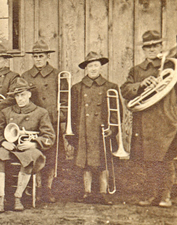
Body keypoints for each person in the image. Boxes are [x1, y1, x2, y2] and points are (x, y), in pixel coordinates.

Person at [120, 30, 177, 207]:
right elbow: (125, 90)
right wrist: (140, 85)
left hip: (167, 123)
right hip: (144, 123)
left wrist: (174, 113)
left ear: (161, 46)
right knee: (147, 162)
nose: (152, 49)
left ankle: (165, 196)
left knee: (166, 160)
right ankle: (151, 195)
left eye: (155, 45)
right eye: (148, 47)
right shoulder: (137, 70)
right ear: (143, 50)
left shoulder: (172, 67)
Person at [0, 77, 55, 213]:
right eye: (17, 96)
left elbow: (49, 136)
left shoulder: (41, 112)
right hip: (10, 147)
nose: (20, 99)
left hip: (29, 148)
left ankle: (18, 197)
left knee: (30, 158)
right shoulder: (6, 112)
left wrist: (34, 144)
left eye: (23, 95)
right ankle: (0, 198)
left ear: (29, 95)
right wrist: (3, 142)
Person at [67, 52, 118, 205]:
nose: (93, 68)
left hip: (102, 131)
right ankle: (87, 192)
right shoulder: (77, 88)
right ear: (86, 68)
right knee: (85, 162)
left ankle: (104, 192)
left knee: (104, 162)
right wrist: (73, 134)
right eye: (90, 66)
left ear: (101, 67)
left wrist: (112, 129)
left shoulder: (110, 87)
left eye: (96, 65)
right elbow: (72, 112)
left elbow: (117, 112)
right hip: (84, 132)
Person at [20, 40, 64, 202]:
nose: (38, 59)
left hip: (51, 121)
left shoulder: (57, 75)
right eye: (36, 56)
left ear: (47, 57)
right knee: (35, 154)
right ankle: (37, 188)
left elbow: (65, 99)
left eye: (41, 56)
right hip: (32, 122)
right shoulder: (25, 76)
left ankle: (48, 189)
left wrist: (61, 116)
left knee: (51, 156)